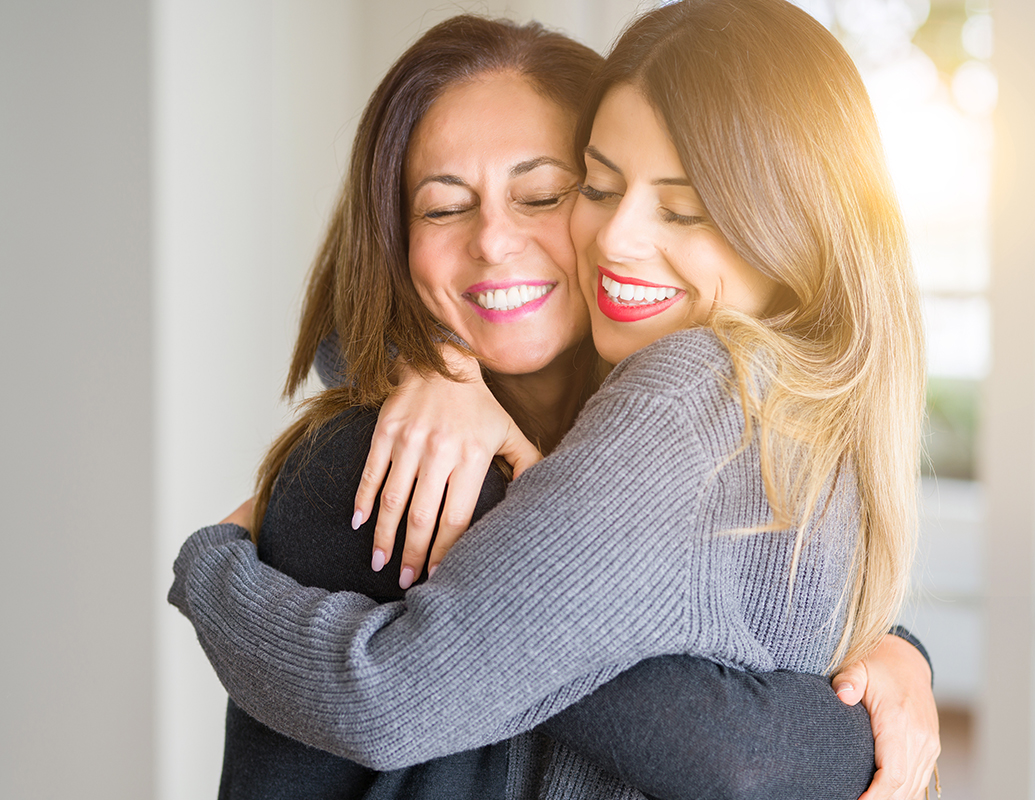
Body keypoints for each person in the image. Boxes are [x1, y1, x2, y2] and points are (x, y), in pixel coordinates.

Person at [173, 3, 937, 798]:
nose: (495, 241)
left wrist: (894, 650)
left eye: (545, 194)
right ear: (392, 240)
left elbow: (720, 650)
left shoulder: (705, 418)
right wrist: (208, 566)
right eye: (441, 206)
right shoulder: (378, 470)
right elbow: (742, 758)